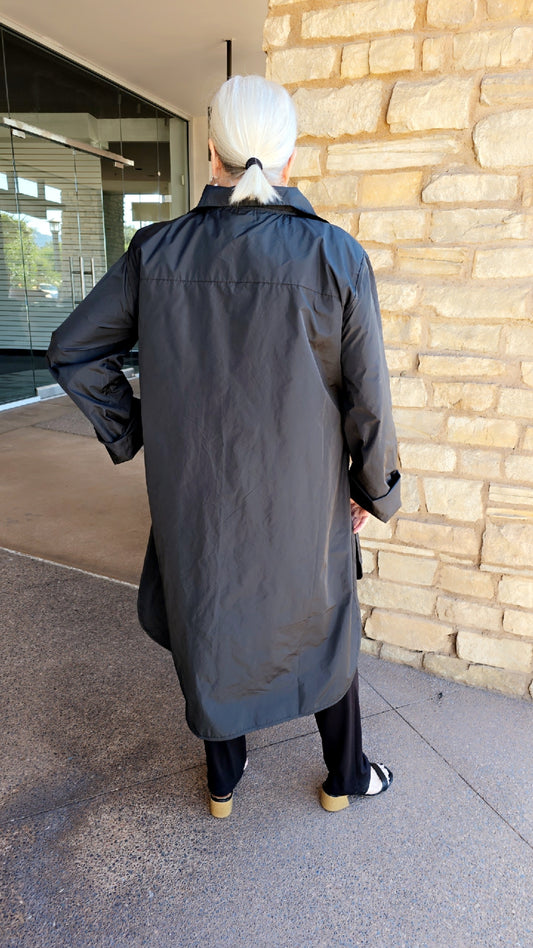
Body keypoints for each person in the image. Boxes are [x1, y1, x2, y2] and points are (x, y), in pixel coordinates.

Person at [47, 75, 401, 818]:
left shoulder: (156, 251)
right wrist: (373, 490)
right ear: (290, 157)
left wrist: (136, 428)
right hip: (304, 495)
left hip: (200, 494)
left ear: (210, 151)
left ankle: (223, 783)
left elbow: (74, 350)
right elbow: (367, 398)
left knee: (213, 615)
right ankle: (344, 777)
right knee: (323, 620)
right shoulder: (334, 255)